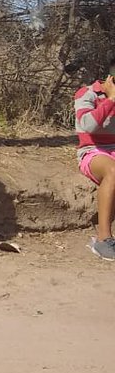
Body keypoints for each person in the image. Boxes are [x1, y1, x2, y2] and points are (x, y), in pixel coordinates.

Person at [73, 69, 115, 260]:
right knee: (113, 171)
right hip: (92, 151)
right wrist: (111, 99)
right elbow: (88, 125)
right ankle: (103, 239)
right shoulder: (86, 93)